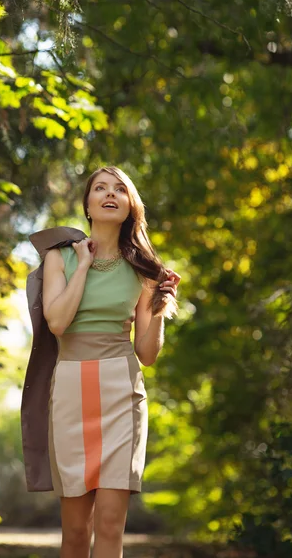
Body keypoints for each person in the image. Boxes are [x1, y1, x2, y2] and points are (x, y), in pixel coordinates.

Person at [42, 166, 180, 558]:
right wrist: (83, 265)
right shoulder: (59, 258)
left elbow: (148, 355)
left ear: (130, 205)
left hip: (122, 393)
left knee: (108, 525)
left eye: (120, 189)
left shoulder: (144, 269)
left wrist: (161, 304)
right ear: (87, 204)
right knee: (74, 531)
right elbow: (57, 322)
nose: (109, 194)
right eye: (100, 188)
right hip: (70, 393)